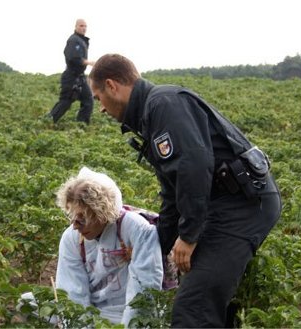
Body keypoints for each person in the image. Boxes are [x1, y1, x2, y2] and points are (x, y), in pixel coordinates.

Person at [89, 54, 282, 328]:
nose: (101, 109)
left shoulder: (163, 104)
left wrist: (189, 236)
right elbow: (173, 193)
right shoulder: (151, 115)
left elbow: (194, 167)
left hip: (242, 206)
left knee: (193, 309)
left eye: (98, 98)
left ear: (111, 85)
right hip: (224, 204)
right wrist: (155, 245)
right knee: (205, 296)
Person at [54, 167, 163, 326]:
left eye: (82, 218)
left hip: (125, 311)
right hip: (94, 311)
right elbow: (73, 295)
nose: (76, 226)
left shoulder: (136, 228)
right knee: (28, 303)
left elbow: (144, 289)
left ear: (102, 213)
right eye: (72, 217)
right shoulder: (71, 238)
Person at [48, 19, 95, 124]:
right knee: (66, 102)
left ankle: (81, 125)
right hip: (71, 77)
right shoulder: (73, 40)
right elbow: (72, 57)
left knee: (88, 101)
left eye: (85, 26)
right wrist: (88, 62)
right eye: (81, 26)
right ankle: (48, 121)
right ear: (76, 27)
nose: (84, 28)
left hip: (81, 77)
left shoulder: (82, 41)